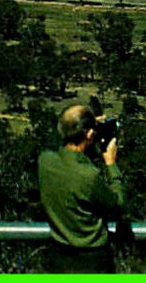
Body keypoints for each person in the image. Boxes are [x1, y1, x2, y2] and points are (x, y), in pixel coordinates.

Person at [37, 101, 126, 273]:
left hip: (58, 257)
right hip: (93, 261)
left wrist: (85, 130)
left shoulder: (45, 162)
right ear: (89, 133)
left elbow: (65, 153)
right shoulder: (89, 175)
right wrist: (111, 164)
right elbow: (118, 205)